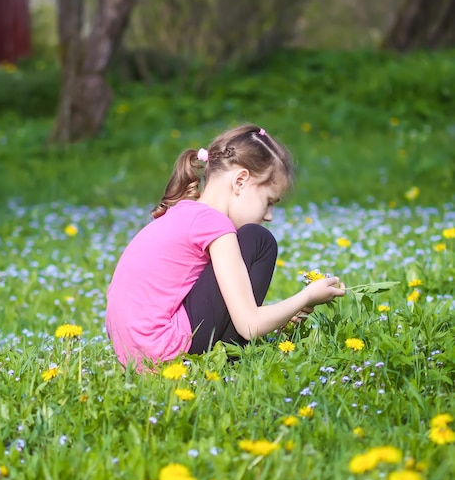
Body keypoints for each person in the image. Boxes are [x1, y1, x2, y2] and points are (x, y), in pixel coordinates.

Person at [105, 123, 345, 368]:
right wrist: (306, 297)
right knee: (258, 239)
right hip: (165, 353)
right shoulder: (214, 225)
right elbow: (250, 324)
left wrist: (281, 313)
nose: (269, 216)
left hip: (133, 356)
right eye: (269, 201)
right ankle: (231, 364)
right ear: (240, 181)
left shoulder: (182, 214)